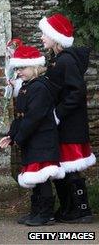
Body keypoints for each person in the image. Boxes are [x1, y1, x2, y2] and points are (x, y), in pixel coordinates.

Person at [39, 13, 96, 223]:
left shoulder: (66, 61)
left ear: (56, 37)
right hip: (65, 125)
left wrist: (57, 114)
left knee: (70, 169)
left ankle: (81, 210)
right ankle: (68, 209)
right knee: (64, 168)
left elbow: (76, 92)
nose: (42, 37)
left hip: (70, 126)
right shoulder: (58, 60)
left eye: (45, 33)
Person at [0, 44, 65, 226]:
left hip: (42, 140)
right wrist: (12, 136)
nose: (18, 72)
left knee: (42, 178)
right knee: (35, 179)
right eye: (17, 68)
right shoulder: (28, 87)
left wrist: (20, 138)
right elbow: (20, 116)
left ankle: (46, 214)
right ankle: (36, 211)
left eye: (22, 68)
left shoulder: (40, 88)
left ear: (35, 67)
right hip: (32, 141)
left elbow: (33, 118)